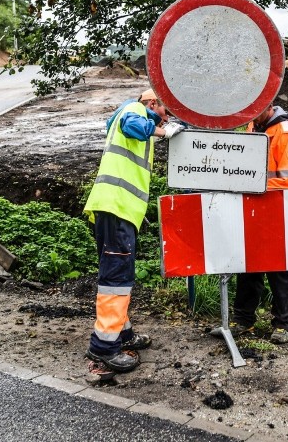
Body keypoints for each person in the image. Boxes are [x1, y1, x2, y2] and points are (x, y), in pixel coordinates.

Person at [83, 88, 184, 378]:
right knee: (116, 279)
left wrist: (166, 130)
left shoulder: (136, 116)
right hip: (117, 208)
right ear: (153, 103)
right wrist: (163, 132)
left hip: (117, 209)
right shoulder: (136, 110)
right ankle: (104, 347)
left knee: (120, 275)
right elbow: (133, 125)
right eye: (166, 112)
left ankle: (122, 335)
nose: (167, 119)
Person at [233, 104, 288, 344]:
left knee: (279, 266)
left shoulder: (286, 131)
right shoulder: (254, 124)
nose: (249, 117)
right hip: (255, 204)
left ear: (267, 106)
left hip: (281, 205)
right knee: (248, 262)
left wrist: (254, 185)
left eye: (254, 111)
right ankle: (243, 320)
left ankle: (284, 323)